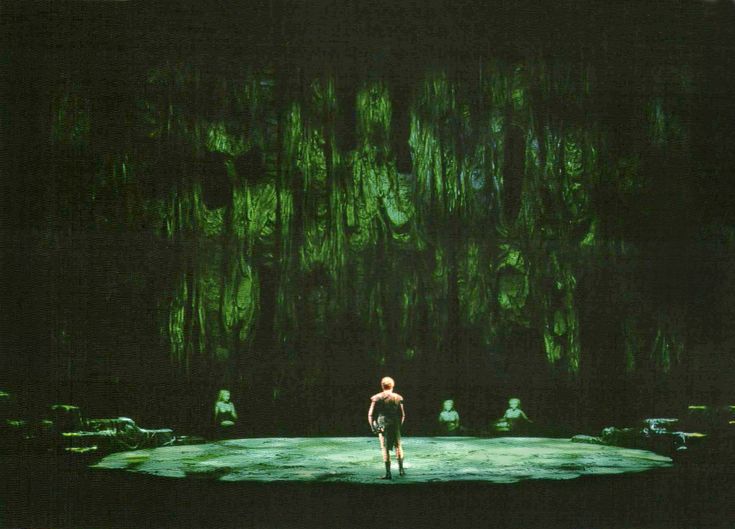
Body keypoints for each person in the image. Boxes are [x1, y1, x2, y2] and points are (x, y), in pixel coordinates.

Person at [368, 377, 406, 480]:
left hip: (383, 422)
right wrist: (400, 426)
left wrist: (372, 427)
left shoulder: (377, 397)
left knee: (385, 447)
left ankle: (388, 473)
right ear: (393, 385)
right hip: (395, 422)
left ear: (382, 385)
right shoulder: (398, 397)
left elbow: (370, 415)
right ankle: (401, 470)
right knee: (398, 445)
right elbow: (403, 415)